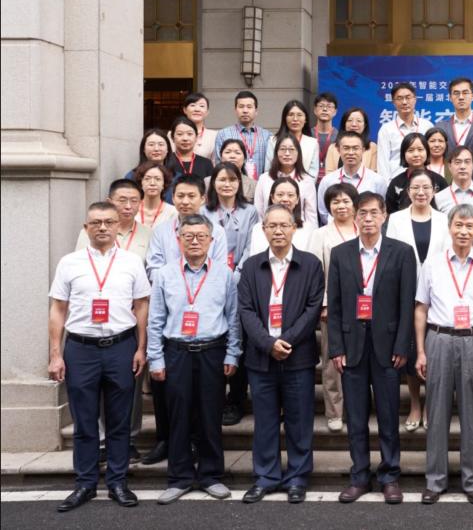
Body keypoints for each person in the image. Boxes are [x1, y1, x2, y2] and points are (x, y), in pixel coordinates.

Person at [48, 202, 151, 512]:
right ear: (86, 228)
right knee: (84, 421)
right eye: (96, 222)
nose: (103, 227)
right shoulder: (69, 263)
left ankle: (118, 482)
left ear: (118, 225)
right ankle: (85, 483)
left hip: (121, 346)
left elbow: (142, 305)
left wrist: (141, 347)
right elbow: (58, 309)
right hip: (81, 348)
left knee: (119, 420)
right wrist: (56, 354)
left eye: (108, 222)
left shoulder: (132, 262)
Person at [328, 191, 418, 504]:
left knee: (389, 416)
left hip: (388, 347)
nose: (367, 219)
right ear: (355, 217)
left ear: (384, 216)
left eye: (373, 213)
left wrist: (403, 345)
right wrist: (336, 347)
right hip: (352, 347)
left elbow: (407, 303)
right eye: (362, 213)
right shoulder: (340, 254)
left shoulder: (401, 252)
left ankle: (390, 476)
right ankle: (359, 476)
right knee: (355, 417)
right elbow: (334, 305)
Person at [147, 214, 240, 504]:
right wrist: (155, 359)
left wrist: (233, 352)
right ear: (179, 240)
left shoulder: (225, 274)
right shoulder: (164, 274)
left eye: (201, 236)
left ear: (211, 240)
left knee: (211, 415)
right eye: (189, 236)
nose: (195, 241)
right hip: (176, 352)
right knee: (178, 416)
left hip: (213, 351)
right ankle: (180, 478)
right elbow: (155, 320)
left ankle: (211, 475)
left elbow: (233, 317)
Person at [237, 204, 324, 504]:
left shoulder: (310, 264)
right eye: (272, 226)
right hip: (261, 358)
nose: (278, 231)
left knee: (300, 420)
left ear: (294, 228)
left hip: (298, 357)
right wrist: (267, 343)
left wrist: (285, 340)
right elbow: (245, 310)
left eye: (284, 225)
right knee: (265, 420)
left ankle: (297, 477)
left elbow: (313, 308)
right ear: (263, 230)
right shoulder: (252, 266)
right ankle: (266, 476)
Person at [415, 205, 473, 505]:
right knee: (437, 413)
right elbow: (421, 308)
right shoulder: (432, 264)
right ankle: (435, 480)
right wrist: (421, 351)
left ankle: (472, 480)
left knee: (472, 414)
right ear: (449, 227)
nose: (463, 231)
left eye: (469, 226)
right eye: (458, 225)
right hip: (438, 338)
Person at [386, 169, 451, 431]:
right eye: (415, 188)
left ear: (434, 191)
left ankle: (430, 404)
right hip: (405, 291)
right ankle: (415, 402)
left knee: (432, 349)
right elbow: (390, 256)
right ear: (408, 191)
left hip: (438, 292)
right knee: (411, 348)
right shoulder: (396, 219)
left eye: (426, 188)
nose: (421, 192)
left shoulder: (445, 219)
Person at [308, 182, 360, 432]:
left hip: (363, 306)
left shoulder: (363, 229)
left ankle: (356, 407)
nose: (341, 206)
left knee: (359, 359)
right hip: (333, 307)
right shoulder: (320, 235)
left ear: (355, 204)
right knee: (332, 362)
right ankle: (335, 411)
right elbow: (315, 273)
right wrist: (324, 304)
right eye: (335, 201)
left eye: (346, 201)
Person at [147, 175, 229, 278]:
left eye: (191, 196)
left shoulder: (216, 231)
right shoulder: (160, 231)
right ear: (173, 198)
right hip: (168, 287)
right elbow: (154, 268)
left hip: (206, 286)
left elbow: (220, 269)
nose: (185, 202)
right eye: (180, 196)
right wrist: (173, 284)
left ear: (202, 199)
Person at [317, 130, 389, 223]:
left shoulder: (377, 180)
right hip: (336, 230)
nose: (351, 152)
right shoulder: (328, 181)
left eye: (355, 148)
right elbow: (324, 213)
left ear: (363, 150)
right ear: (338, 150)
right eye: (346, 148)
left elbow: (381, 209)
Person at [241, 177, 317, 262]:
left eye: (290, 195)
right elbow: (255, 261)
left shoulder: (309, 229)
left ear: (297, 199)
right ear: (272, 198)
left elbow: (310, 263)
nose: (285, 199)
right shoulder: (258, 229)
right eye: (280, 195)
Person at [202, 162, 259, 273]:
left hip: (241, 271)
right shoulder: (203, 212)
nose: (227, 184)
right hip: (210, 271)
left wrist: (239, 272)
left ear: (239, 182)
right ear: (213, 182)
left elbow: (250, 247)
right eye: (222, 180)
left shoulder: (250, 211)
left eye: (232, 180)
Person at [76, 179, 151, 261]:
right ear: (109, 202)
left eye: (134, 201)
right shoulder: (91, 231)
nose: (128, 206)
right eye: (122, 200)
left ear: (140, 203)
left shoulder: (148, 233)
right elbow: (80, 261)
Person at [253, 134, 318, 225]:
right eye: (283, 149)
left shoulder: (307, 180)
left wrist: (310, 232)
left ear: (298, 153)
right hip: (269, 230)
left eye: (291, 149)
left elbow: (311, 215)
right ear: (276, 152)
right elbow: (259, 212)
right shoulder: (264, 179)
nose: (287, 153)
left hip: (299, 229)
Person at [213, 90, 273, 180]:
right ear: (235, 110)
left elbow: (271, 165)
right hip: (232, 184)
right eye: (241, 107)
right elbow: (219, 165)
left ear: (256, 111)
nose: (245, 110)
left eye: (249, 107)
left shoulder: (267, 136)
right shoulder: (223, 134)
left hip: (261, 184)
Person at [384, 132, 449, 215]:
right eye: (410, 150)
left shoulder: (439, 181)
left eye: (420, 149)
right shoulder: (396, 183)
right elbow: (391, 212)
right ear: (403, 154)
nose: (416, 154)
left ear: (427, 152)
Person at [377, 82, 431, 180]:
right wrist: (387, 186)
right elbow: (382, 162)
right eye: (399, 98)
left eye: (408, 97)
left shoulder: (427, 126)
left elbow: (431, 157)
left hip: (424, 181)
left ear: (415, 99)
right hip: (396, 182)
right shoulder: (386, 129)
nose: (404, 102)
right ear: (393, 102)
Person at [265, 100, 319, 178]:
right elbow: (268, 170)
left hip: (304, 184)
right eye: (291, 115)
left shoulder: (312, 143)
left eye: (299, 115)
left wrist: (303, 184)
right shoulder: (273, 141)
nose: (295, 119)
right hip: (278, 184)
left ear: (305, 119)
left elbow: (313, 174)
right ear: (285, 118)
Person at [437, 77, 473, 150]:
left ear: (472, 96)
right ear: (450, 97)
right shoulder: (440, 127)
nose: (461, 97)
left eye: (465, 93)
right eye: (456, 93)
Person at [324, 107, 379, 173]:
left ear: (365, 125)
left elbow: (373, 173)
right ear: (344, 124)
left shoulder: (372, 147)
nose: (354, 124)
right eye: (350, 120)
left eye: (359, 121)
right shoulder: (333, 148)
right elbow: (329, 174)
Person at [434, 145, 473, 214]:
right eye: (458, 162)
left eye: (467, 162)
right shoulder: (438, 198)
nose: (462, 166)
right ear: (449, 166)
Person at [166, 116, 215, 183]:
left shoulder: (206, 163)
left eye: (189, 134)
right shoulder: (166, 161)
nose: (185, 138)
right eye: (180, 134)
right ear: (172, 138)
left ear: (196, 138)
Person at [134, 161, 177, 230]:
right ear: (140, 183)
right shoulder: (131, 209)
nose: (152, 183)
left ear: (164, 184)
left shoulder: (173, 212)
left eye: (157, 179)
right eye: (147, 179)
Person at [212, 138, 257, 203]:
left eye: (237, 153)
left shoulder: (253, 185)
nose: (232, 156)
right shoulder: (208, 181)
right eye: (227, 152)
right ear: (221, 157)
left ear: (244, 159)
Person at [178, 92, 219, 159]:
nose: (197, 109)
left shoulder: (214, 136)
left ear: (207, 112)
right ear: (185, 110)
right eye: (192, 105)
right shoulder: (173, 134)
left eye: (202, 106)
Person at [312, 92, 339, 183]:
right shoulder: (307, 134)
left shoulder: (340, 137)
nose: (324, 109)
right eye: (321, 106)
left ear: (335, 112)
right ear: (315, 110)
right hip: (310, 182)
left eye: (329, 106)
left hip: (333, 182)